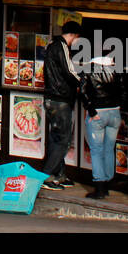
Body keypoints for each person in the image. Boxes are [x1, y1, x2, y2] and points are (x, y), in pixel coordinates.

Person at [42, 21, 82, 191]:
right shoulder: (62, 46)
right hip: (60, 99)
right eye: (77, 37)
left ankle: (60, 175)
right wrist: (81, 81)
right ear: (72, 34)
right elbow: (68, 70)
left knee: (55, 138)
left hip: (51, 98)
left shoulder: (51, 45)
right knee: (63, 140)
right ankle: (46, 176)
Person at [80, 55, 124, 199]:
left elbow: (83, 92)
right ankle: (107, 184)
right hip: (114, 112)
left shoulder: (88, 69)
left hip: (98, 114)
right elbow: (123, 91)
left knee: (96, 151)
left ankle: (99, 187)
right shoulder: (116, 69)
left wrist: (91, 111)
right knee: (109, 149)